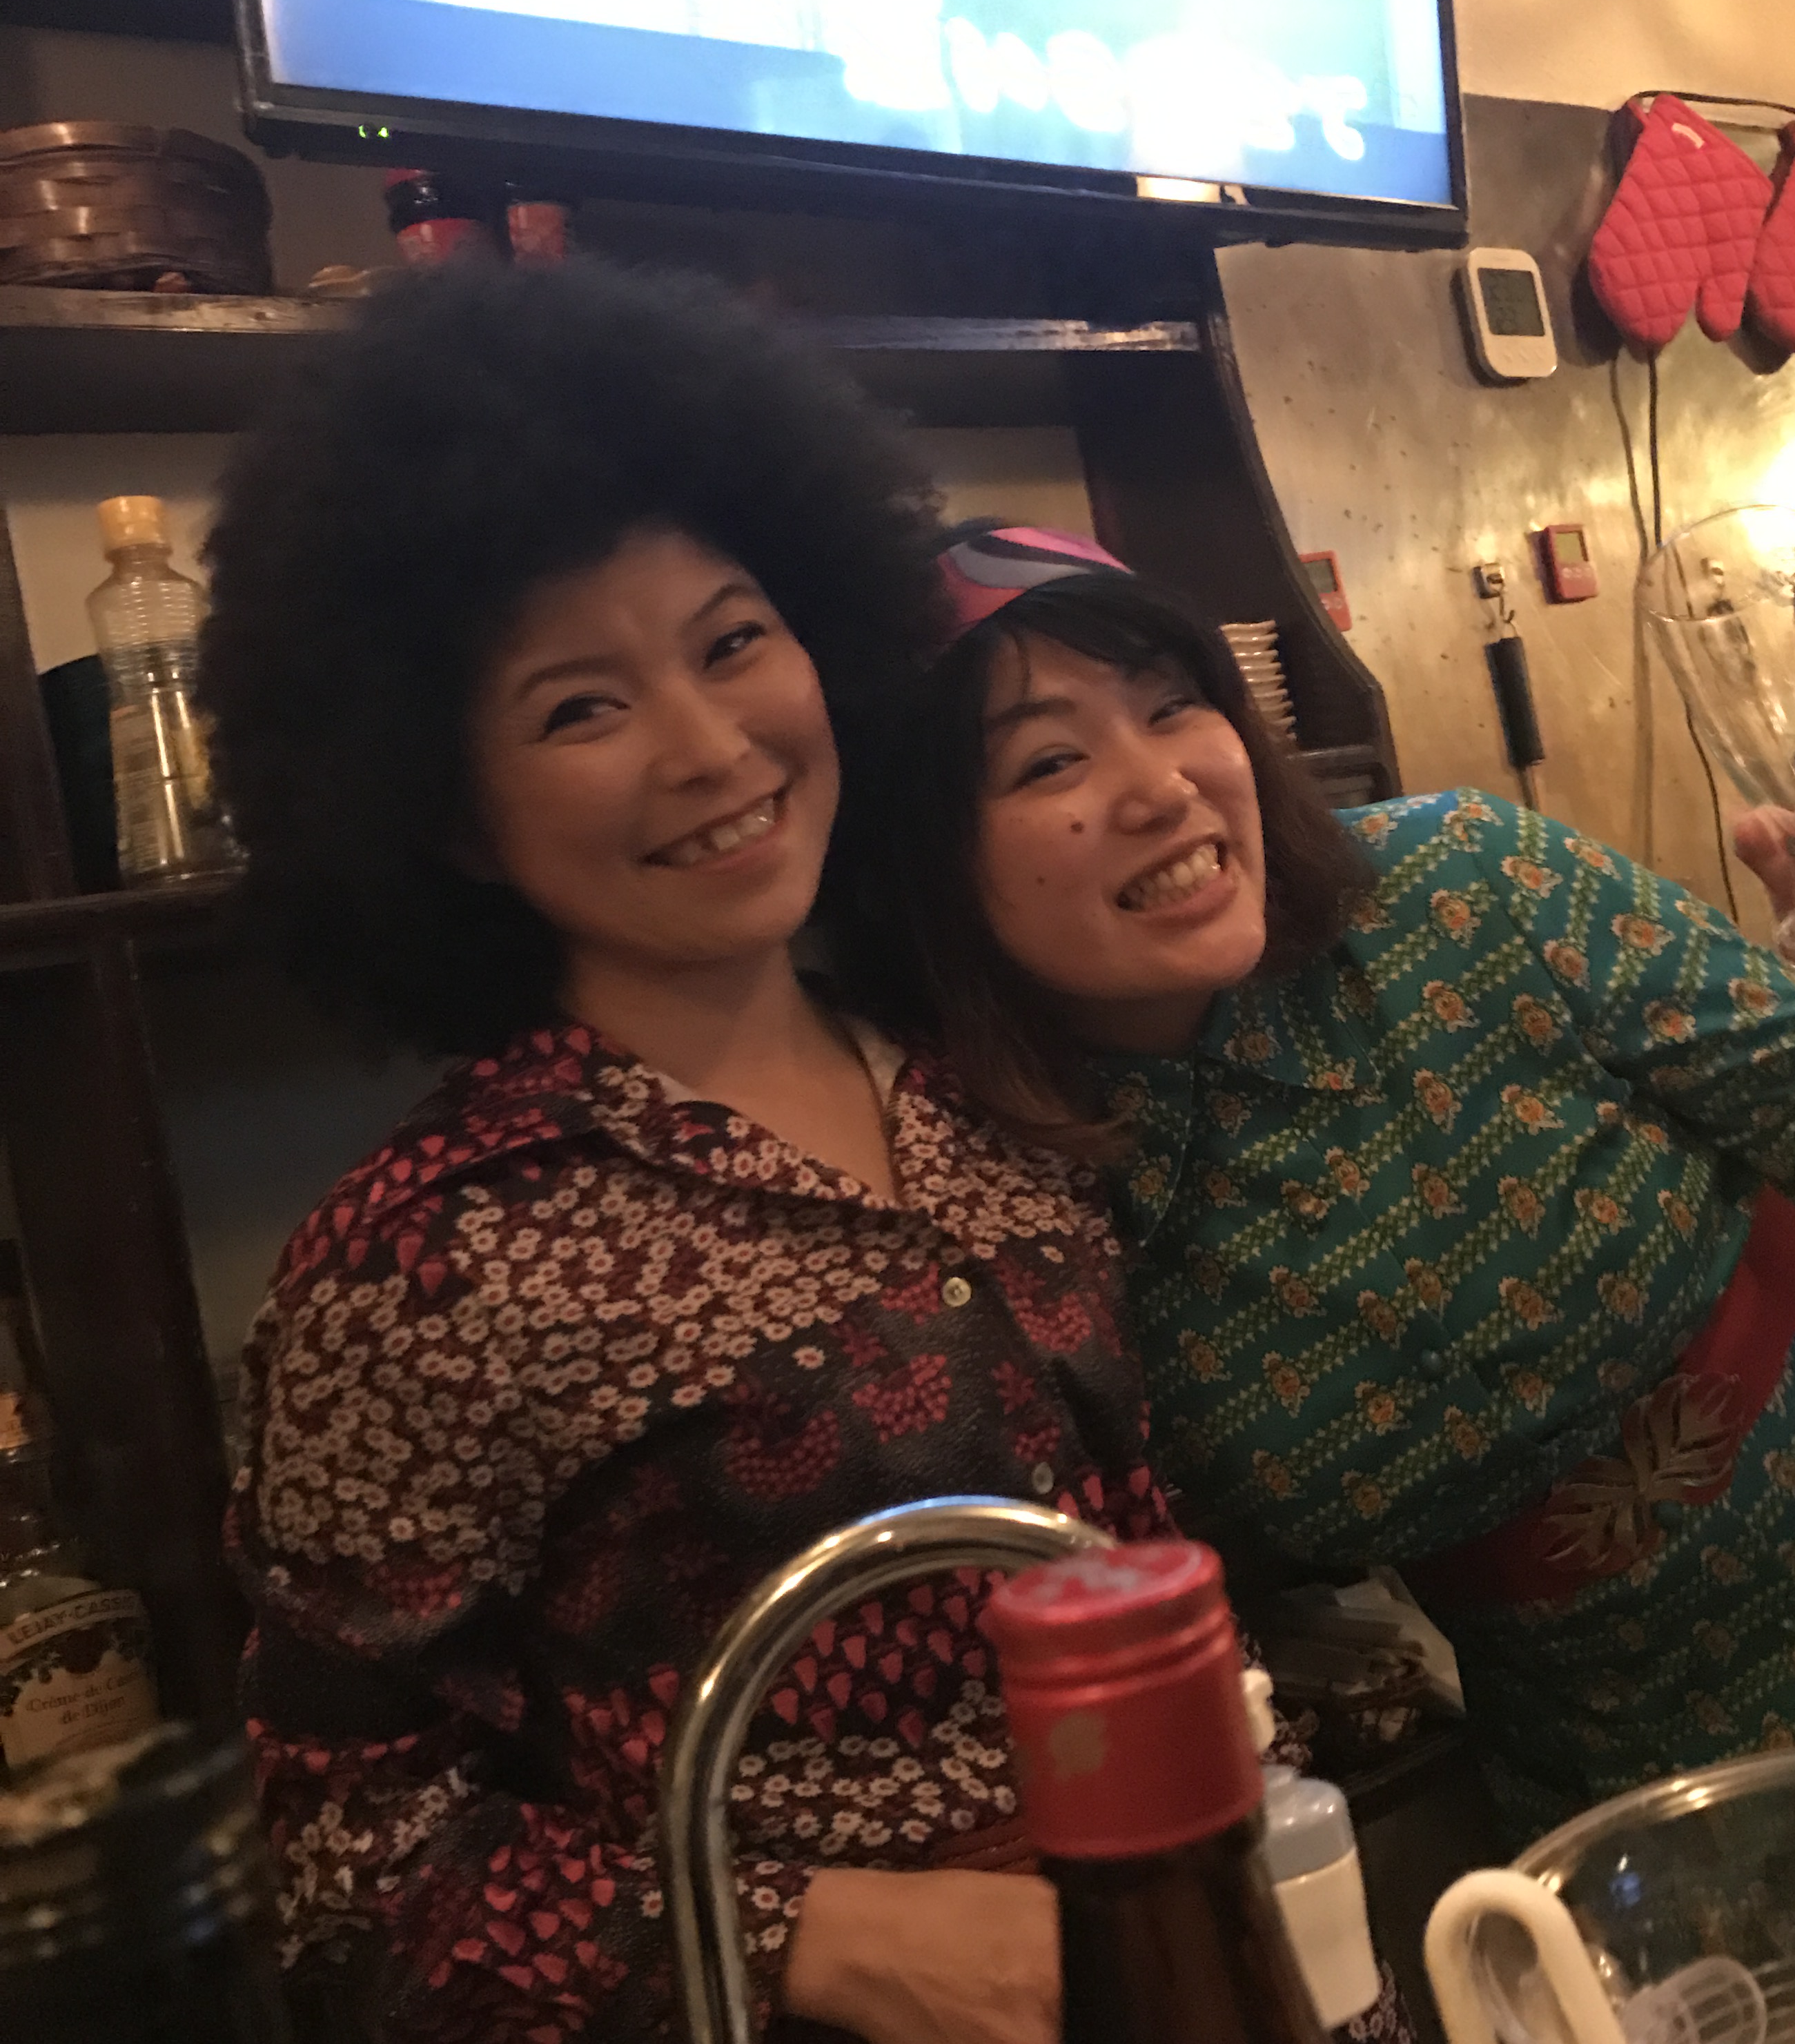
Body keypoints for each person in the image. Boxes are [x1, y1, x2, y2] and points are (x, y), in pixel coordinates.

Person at [200, 267, 1207, 2044]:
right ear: (450, 815)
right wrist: (823, 1938)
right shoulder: (423, 1263)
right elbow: (350, 1872)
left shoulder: (976, 1063)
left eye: (735, 641)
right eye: (580, 709)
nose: (711, 746)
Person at [832, 522, 1795, 1837]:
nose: (1162, 787)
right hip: (1629, 1792)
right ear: (928, 866)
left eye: (1173, 707)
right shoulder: (1004, 1193)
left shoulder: (1465, 886)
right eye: (1050, 760)